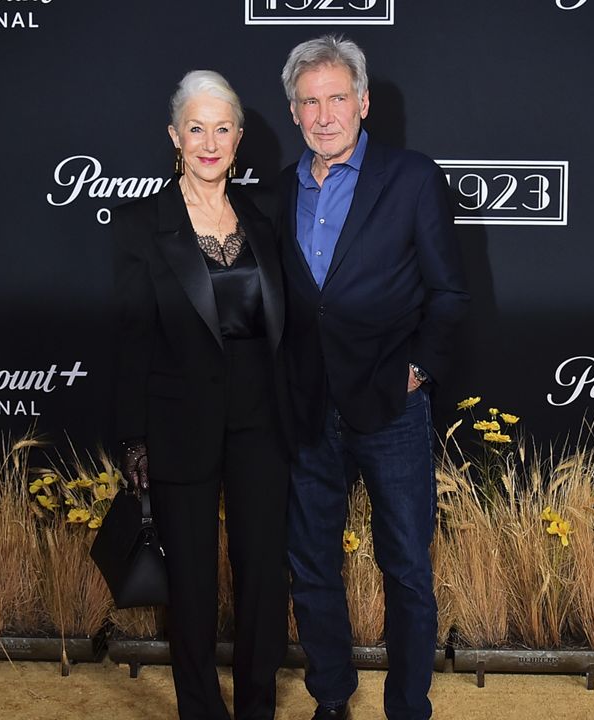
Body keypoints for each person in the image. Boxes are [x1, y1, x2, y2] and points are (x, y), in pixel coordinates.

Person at [277, 36, 470, 720]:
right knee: (311, 569)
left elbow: (449, 293)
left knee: (408, 572)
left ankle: (406, 706)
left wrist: (417, 371)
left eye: (336, 98)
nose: (324, 114)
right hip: (306, 411)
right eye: (309, 102)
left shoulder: (411, 177)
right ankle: (331, 697)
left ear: (362, 102)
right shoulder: (280, 191)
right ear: (294, 112)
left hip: (391, 407)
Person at [112, 70, 291, 720]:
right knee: (189, 585)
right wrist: (133, 437)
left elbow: (288, 325)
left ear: (238, 139)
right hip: (177, 425)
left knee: (263, 579)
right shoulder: (139, 224)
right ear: (174, 136)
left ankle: (257, 709)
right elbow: (128, 337)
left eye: (222, 128)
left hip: (261, 425)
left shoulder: (264, 217)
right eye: (196, 128)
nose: (209, 141)